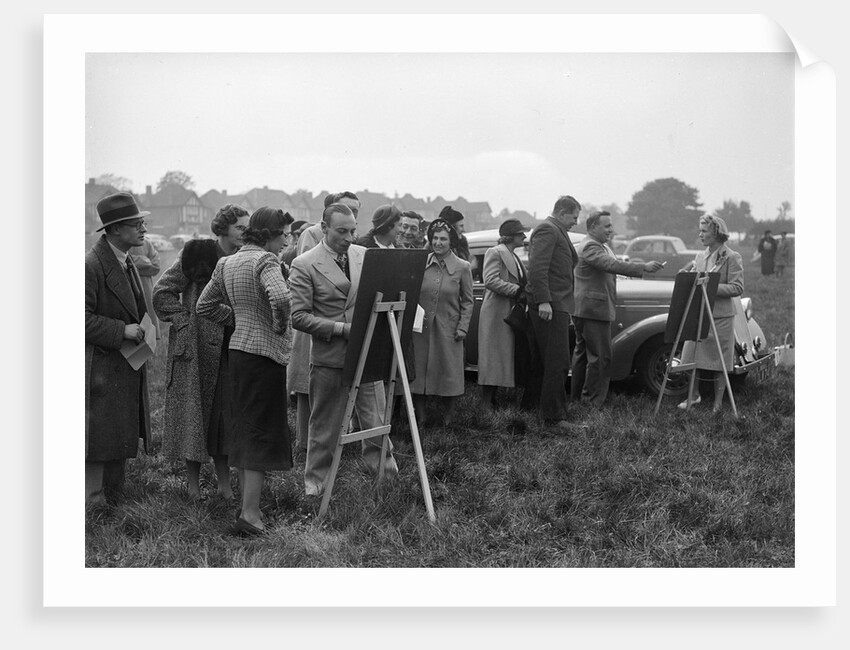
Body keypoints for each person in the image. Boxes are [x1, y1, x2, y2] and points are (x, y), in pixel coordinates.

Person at [196, 207, 294, 535]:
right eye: (283, 235)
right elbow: (280, 298)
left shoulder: (228, 261)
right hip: (263, 358)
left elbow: (204, 306)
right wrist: (278, 326)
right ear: (268, 235)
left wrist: (238, 319)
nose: (286, 241)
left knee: (244, 430)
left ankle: (246, 508)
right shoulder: (265, 261)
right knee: (260, 435)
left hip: (238, 354)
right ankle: (250, 515)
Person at [289, 202, 399, 498]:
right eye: (341, 231)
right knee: (325, 428)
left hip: (366, 355)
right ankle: (316, 487)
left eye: (353, 230)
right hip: (330, 358)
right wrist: (341, 329)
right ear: (323, 228)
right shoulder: (305, 263)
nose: (349, 237)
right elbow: (298, 316)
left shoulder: (365, 256)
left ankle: (386, 481)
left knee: (376, 421)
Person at [152, 204, 250, 500]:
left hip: (231, 347)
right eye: (240, 228)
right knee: (193, 416)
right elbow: (162, 291)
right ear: (223, 229)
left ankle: (223, 485)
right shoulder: (196, 252)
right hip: (195, 350)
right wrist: (183, 322)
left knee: (222, 418)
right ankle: (193, 487)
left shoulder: (244, 258)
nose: (245, 234)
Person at [85, 192, 152, 505]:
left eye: (142, 222)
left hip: (123, 364)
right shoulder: (91, 265)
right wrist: (120, 330)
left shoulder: (125, 261)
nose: (143, 229)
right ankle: (92, 500)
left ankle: (113, 495)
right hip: (99, 368)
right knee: (97, 437)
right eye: (135, 224)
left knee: (116, 430)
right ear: (113, 230)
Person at [571, 211, 664, 407]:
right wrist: (643, 268)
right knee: (600, 357)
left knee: (583, 356)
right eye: (607, 226)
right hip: (593, 310)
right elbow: (610, 264)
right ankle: (591, 402)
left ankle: (578, 397)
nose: (611, 230)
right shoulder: (590, 246)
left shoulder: (595, 245)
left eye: (611, 226)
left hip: (587, 309)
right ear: (593, 227)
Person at [524, 195, 581, 431]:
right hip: (551, 306)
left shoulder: (555, 229)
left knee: (543, 362)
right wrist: (544, 301)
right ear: (562, 213)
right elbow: (537, 268)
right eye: (574, 217)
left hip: (555, 304)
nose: (576, 222)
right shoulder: (548, 229)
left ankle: (532, 409)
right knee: (557, 362)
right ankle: (554, 419)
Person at [410, 219, 474, 426]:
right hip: (420, 330)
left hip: (449, 329)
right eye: (435, 238)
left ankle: (449, 419)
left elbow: (468, 301)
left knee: (449, 372)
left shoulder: (462, 268)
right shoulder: (420, 263)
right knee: (419, 373)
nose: (438, 243)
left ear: (451, 242)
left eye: (443, 239)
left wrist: (463, 327)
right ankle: (421, 418)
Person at [677, 214, 744, 413]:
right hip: (700, 313)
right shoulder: (700, 256)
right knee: (692, 355)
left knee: (720, 361)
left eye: (704, 231)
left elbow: (737, 288)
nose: (700, 234)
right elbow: (694, 280)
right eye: (700, 230)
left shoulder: (732, 257)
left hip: (721, 316)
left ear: (716, 232)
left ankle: (717, 404)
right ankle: (693, 396)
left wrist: (711, 286)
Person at [477, 218, 530, 411]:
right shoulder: (495, 252)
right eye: (520, 233)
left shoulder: (512, 255)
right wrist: (517, 290)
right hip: (495, 312)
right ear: (509, 236)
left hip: (506, 312)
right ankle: (485, 402)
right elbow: (490, 280)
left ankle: (492, 399)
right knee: (493, 356)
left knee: (500, 356)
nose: (524, 236)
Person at [130, 235, 162, 339]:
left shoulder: (147, 243)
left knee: (148, 332)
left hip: (146, 289)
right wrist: (144, 260)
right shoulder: (121, 244)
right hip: (128, 289)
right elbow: (122, 263)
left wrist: (133, 267)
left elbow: (156, 267)